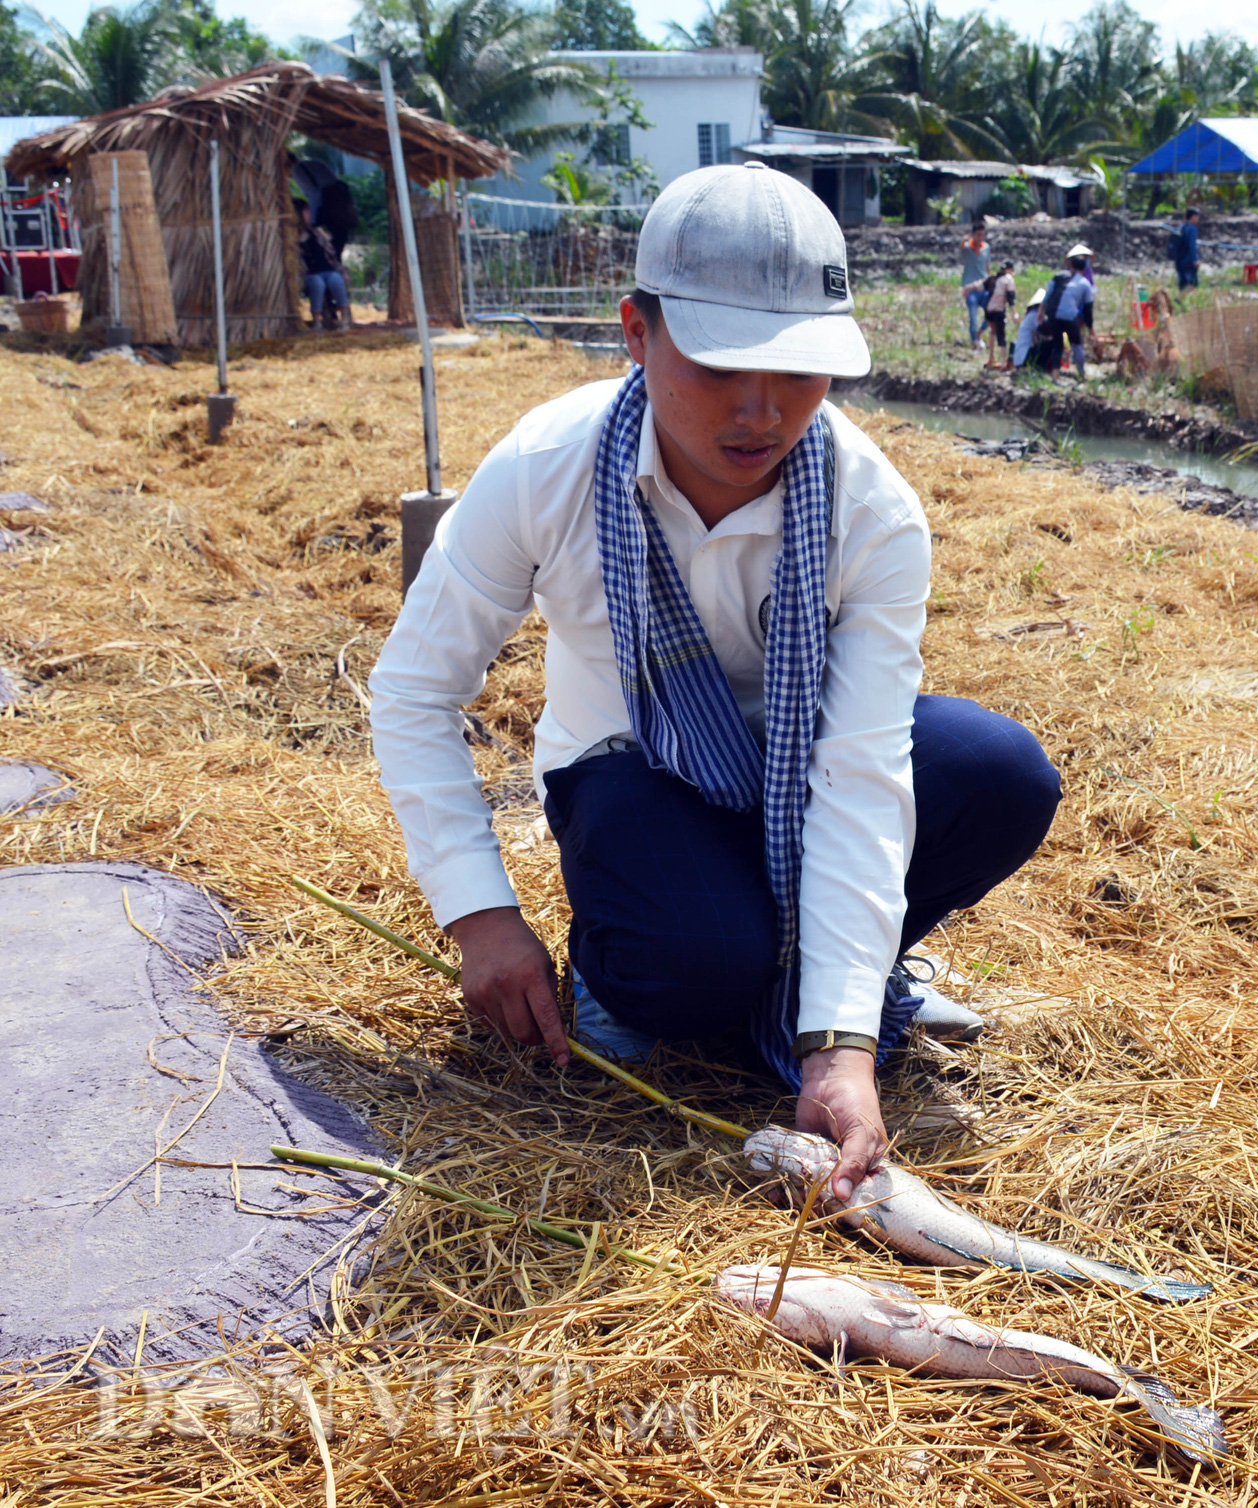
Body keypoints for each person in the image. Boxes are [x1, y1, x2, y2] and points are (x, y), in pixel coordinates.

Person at [369, 163, 1064, 1203]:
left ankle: (827, 984)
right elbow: (414, 691)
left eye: (797, 371)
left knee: (999, 771)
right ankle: (662, 973)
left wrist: (837, 1048)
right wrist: (481, 917)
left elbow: (861, 769)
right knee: (694, 961)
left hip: (801, 785)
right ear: (636, 333)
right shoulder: (545, 468)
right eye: (718, 362)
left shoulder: (869, 513)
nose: (760, 408)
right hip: (635, 782)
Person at [297, 202, 348, 331]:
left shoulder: (316, 232)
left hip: (327, 270)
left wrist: (342, 271)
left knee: (336, 279)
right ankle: (317, 321)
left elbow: (331, 254)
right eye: (306, 212)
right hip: (309, 274)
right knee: (317, 283)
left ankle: (344, 318)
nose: (309, 215)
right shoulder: (292, 236)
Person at [1043, 251, 1095, 378]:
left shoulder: (1058, 276)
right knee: (1077, 344)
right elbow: (1088, 309)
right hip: (1070, 316)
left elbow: (1047, 295)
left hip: (1053, 314)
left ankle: (1055, 373)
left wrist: (1041, 312)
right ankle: (1081, 373)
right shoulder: (1084, 284)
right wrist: (1091, 328)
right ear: (1084, 268)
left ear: (1071, 266)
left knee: (1057, 344)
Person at [960, 224, 990, 347]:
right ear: (973, 235)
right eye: (978, 235)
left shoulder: (987, 248)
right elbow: (961, 247)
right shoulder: (967, 248)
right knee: (973, 318)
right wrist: (964, 239)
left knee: (991, 313)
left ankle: (980, 333)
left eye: (982, 234)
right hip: (970, 289)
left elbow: (988, 266)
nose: (980, 237)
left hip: (983, 287)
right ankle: (974, 342)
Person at [982, 259, 1016, 368]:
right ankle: (1003, 362)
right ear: (1010, 270)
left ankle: (991, 358)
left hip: (989, 309)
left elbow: (982, 286)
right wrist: (1014, 312)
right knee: (1001, 335)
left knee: (993, 331)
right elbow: (1011, 297)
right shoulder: (1008, 279)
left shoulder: (993, 278)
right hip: (999, 310)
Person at [1011, 285, 1045, 368]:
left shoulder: (1030, 315)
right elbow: (1044, 330)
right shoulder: (1034, 315)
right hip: (1024, 357)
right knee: (1049, 344)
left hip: (1020, 358)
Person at [1169, 206, 1200, 290]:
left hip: (1179, 259)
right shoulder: (1192, 229)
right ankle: (1179, 299)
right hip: (1188, 261)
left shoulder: (1180, 227)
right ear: (1193, 216)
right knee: (1193, 283)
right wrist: (1195, 259)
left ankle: (1180, 300)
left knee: (1182, 284)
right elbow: (1192, 245)